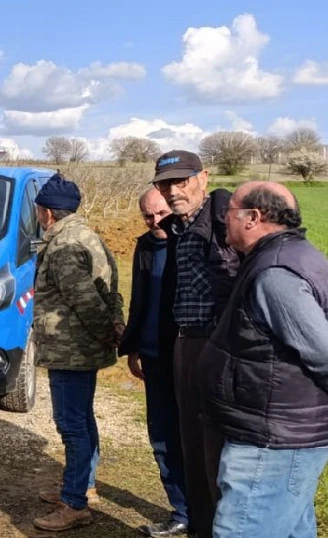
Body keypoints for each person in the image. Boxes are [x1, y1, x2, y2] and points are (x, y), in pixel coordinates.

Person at [199, 182, 328, 538]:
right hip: (283, 435)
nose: (224, 222)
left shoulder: (276, 274)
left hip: (271, 443)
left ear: (253, 218)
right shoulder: (293, 256)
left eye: (228, 214)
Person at [30, 173, 125, 533]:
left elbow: (85, 300)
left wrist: (108, 333)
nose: (39, 216)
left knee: (72, 425)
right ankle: (82, 486)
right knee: (82, 419)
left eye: (40, 210)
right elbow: (111, 291)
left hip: (72, 351)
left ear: (48, 213)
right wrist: (114, 328)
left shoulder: (65, 245)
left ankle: (74, 504)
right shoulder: (88, 235)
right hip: (81, 349)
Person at [152, 150, 239, 538]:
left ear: (203, 177)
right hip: (186, 341)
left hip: (219, 345)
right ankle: (201, 529)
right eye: (165, 183)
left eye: (181, 181)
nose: (173, 191)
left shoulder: (224, 221)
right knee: (192, 447)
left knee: (221, 451)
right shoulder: (179, 227)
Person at [118, 189, 188, 537]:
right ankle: (182, 512)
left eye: (161, 213)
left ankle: (208, 513)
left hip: (187, 358)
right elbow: (139, 299)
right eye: (148, 215)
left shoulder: (189, 244)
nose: (155, 221)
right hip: (153, 356)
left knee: (193, 436)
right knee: (161, 436)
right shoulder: (144, 245)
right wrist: (133, 346)